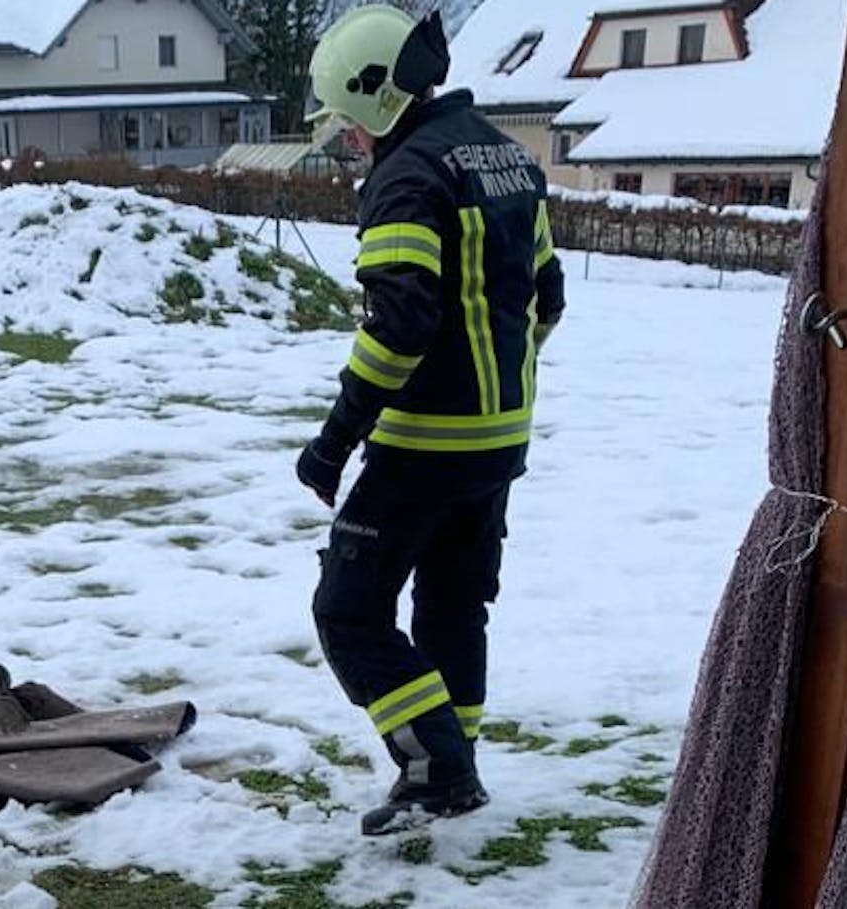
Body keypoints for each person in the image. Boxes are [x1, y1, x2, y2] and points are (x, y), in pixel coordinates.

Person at [295, 6, 566, 836]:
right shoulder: (511, 159)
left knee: (348, 610)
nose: (349, 141)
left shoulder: (410, 174)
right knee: (454, 609)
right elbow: (547, 299)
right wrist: (497, 397)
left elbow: (401, 323)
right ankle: (459, 765)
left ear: (378, 97)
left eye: (346, 121)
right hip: (499, 442)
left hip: (423, 446)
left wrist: (335, 438)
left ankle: (433, 766)